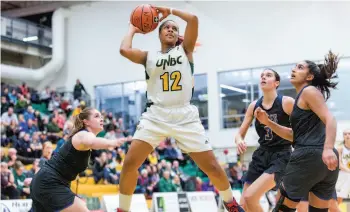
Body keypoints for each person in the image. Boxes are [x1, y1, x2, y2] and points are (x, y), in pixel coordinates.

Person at [118, 5, 243, 212]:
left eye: (174, 29)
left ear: (178, 36)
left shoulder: (186, 50)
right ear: (158, 33)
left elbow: (193, 18)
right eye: (166, 28)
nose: (170, 30)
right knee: (130, 162)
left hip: (185, 115)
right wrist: (133, 27)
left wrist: (170, 11)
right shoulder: (148, 56)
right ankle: (122, 209)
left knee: (211, 166)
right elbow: (124, 50)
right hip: (156, 114)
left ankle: (231, 204)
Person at [254, 51, 340, 211]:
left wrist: (327, 148)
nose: (294, 69)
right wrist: (268, 122)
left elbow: (331, 119)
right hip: (323, 163)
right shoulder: (303, 97)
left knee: (282, 207)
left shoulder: (309, 91)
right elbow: (294, 135)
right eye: (294, 67)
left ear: (309, 77)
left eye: (300, 67)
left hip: (309, 155)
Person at [30, 108, 125, 212]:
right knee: (81, 207)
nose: (101, 119)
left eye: (101, 116)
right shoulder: (82, 135)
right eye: (97, 116)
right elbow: (92, 142)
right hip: (49, 182)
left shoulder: (83, 138)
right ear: (86, 121)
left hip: (50, 182)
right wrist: (113, 143)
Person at [235, 68, 294, 211]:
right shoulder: (254, 105)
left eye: (268, 75)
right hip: (261, 154)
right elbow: (239, 134)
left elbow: (297, 134)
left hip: (281, 154)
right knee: (244, 204)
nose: (263, 77)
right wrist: (239, 141)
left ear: (276, 83)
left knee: (250, 197)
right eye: (262, 75)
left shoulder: (287, 102)